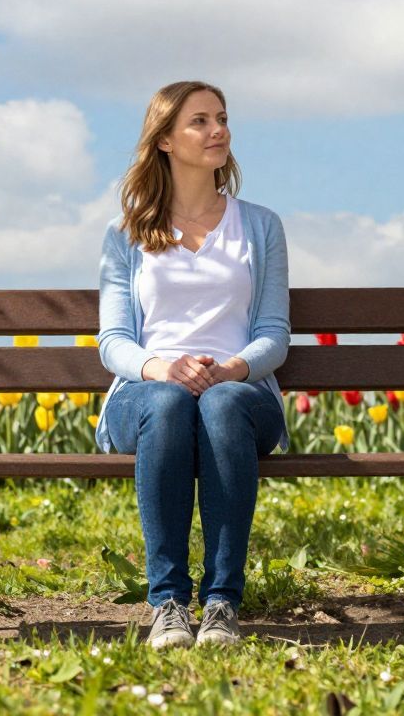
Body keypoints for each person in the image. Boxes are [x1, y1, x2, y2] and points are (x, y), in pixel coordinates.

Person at [96, 80, 291, 649]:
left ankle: (222, 604)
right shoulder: (126, 232)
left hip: (242, 391)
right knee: (170, 400)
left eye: (222, 118)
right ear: (164, 140)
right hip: (148, 393)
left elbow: (274, 335)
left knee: (223, 402)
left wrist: (232, 369)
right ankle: (169, 604)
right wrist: (161, 368)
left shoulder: (261, 226)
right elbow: (114, 341)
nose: (218, 131)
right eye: (200, 121)